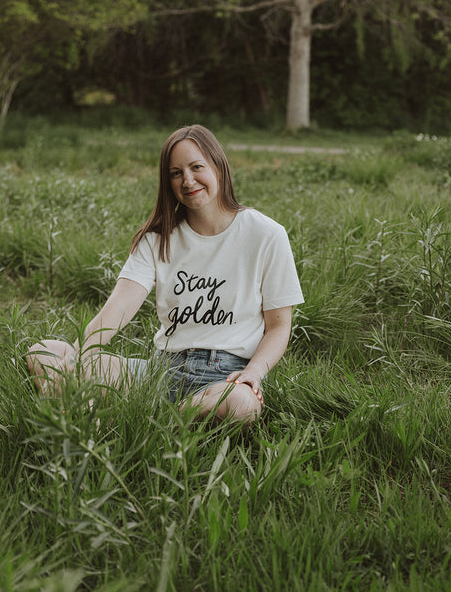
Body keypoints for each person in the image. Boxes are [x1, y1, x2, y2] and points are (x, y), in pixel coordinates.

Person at [27, 125, 304, 426]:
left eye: (197, 167)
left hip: (224, 377)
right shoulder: (159, 239)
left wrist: (252, 374)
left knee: (241, 406)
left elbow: (278, 327)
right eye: (176, 173)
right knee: (45, 352)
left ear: (219, 167)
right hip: (159, 371)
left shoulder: (266, 234)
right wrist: (81, 357)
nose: (188, 180)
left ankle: (138, 418)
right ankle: (95, 417)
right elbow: (118, 307)